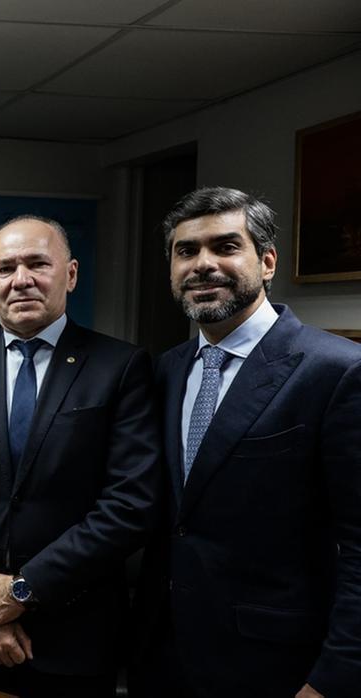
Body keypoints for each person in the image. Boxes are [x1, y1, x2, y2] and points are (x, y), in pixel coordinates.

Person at [131, 187, 361, 698]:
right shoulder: (165, 370)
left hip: (277, 666)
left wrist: (335, 677)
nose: (203, 264)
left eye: (225, 247)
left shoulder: (337, 371)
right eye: (185, 251)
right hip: (164, 655)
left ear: (267, 261)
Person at [0, 215, 160, 696]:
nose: (21, 279)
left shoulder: (121, 365)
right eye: (5, 268)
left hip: (74, 634)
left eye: (37, 264)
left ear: (69, 274)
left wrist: (21, 592)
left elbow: (129, 504)